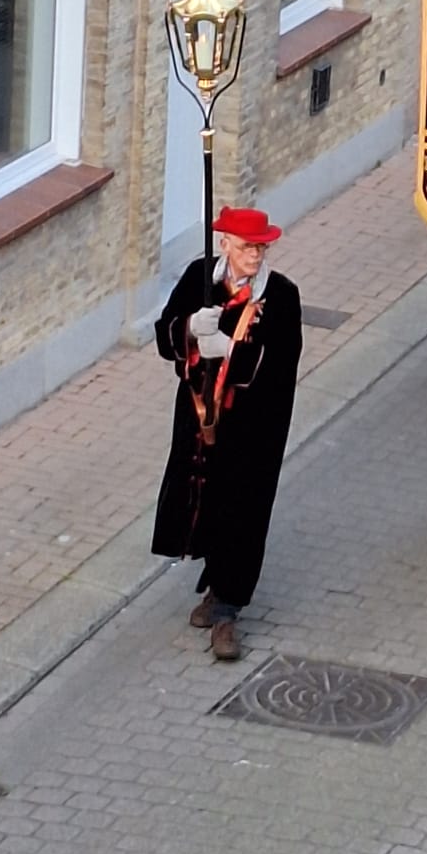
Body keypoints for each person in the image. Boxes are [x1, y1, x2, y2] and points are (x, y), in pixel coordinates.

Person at [153, 205, 304, 661]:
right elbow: (165, 336)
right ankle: (212, 586)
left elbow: (281, 367)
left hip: (251, 428)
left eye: (261, 248)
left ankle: (227, 612)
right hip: (201, 421)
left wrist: (229, 351)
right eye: (246, 248)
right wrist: (188, 331)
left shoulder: (280, 296)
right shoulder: (200, 277)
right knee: (203, 502)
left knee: (242, 511)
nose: (255, 256)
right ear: (225, 246)